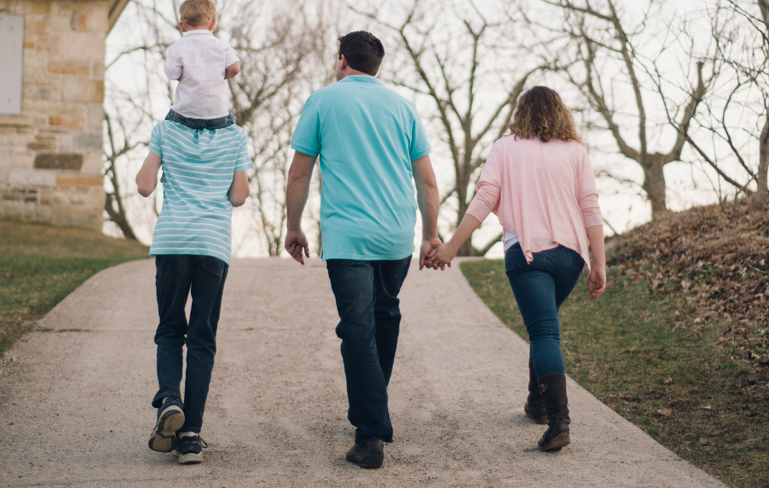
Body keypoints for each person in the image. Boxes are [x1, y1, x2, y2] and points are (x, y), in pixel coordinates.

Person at [284, 30, 443, 470]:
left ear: (341, 61)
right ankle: (373, 412)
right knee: (384, 316)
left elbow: (299, 174)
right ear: (377, 66)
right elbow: (427, 180)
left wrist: (294, 226)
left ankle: (370, 433)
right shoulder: (402, 107)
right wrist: (431, 235)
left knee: (358, 327)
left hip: (348, 237)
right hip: (396, 236)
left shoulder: (322, 101)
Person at [428, 85, 606, 452]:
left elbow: (485, 198)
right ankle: (537, 405)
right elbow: (590, 207)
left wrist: (451, 247)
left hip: (528, 254)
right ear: (560, 112)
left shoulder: (505, 147)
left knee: (543, 332)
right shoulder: (576, 151)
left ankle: (559, 422)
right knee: (546, 324)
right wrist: (599, 262)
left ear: (520, 112)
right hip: (572, 256)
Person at [135, 108, 253, 464]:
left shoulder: (165, 131)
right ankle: (189, 438)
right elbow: (239, 196)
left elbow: (144, 185)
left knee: (170, 328)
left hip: (173, 241)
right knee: (202, 337)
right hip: (212, 246)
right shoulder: (236, 136)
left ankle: (170, 399)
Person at [163, 0, 241, 131]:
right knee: (229, 122)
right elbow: (235, 68)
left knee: (167, 123)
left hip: (187, 115)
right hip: (218, 115)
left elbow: (172, 74)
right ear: (212, 23)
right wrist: (222, 74)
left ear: (181, 26)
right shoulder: (222, 45)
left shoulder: (177, 48)